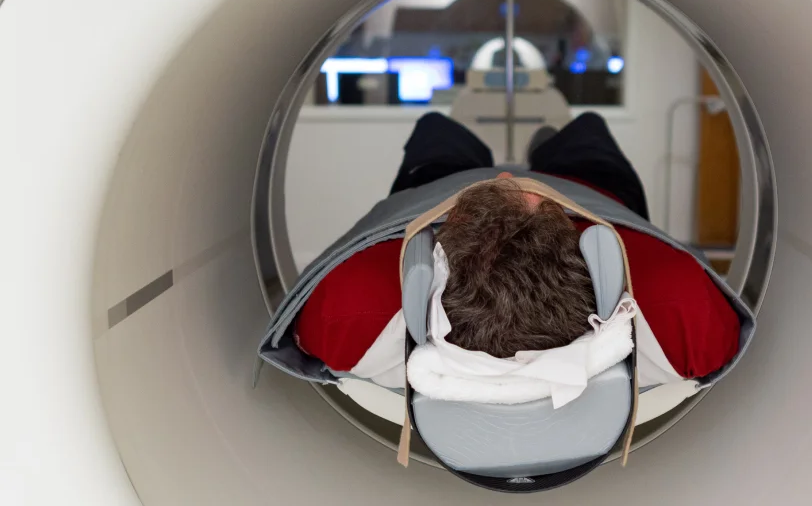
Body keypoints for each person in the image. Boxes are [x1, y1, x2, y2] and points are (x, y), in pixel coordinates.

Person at [287, 111, 746, 390]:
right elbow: (722, 340)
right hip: (592, 184)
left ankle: (466, 146)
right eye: (541, 204)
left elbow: (308, 328)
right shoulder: (673, 303)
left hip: (434, 184)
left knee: (435, 130)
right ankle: (551, 146)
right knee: (587, 128)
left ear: (437, 257)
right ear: (586, 249)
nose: (506, 177)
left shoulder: (352, 311)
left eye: (480, 207)